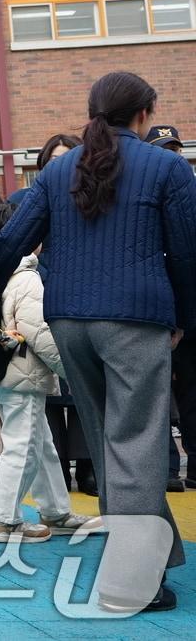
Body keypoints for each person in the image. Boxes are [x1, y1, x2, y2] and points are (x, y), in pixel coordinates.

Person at [0, 71, 196, 613]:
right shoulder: (168, 167)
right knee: (140, 445)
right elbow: (189, 255)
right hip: (137, 318)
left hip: (68, 318)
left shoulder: (57, 174)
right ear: (144, 114)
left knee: (109, 438)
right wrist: (184, 320)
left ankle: (158, 552)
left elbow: (8, 239)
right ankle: (131, 584)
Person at [0, 203, 99, 544]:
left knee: (40, 444)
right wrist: (72, 371)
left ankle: (56, 511)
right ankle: (4, 520)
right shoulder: (27, 277)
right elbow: (41, 334)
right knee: (24, 446)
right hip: (23, 373)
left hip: (1, 371)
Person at [13, 134, 95, 495]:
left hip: (81, 302)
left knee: (82, 390)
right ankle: (55, 471)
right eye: (54, 160)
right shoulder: (22, 201)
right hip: (34, 302)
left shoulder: (95, 200)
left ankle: (89, 469)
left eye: (69, 159)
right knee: (43, 390)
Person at [152, 125, 196, 490]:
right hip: (157, 313)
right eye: (164, 150)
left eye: (176, 150)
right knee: (156, 397)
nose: (172, 156)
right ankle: (166, 469)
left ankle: (194, 464)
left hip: (189, 313)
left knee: (193, 394)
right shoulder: (148, 198)